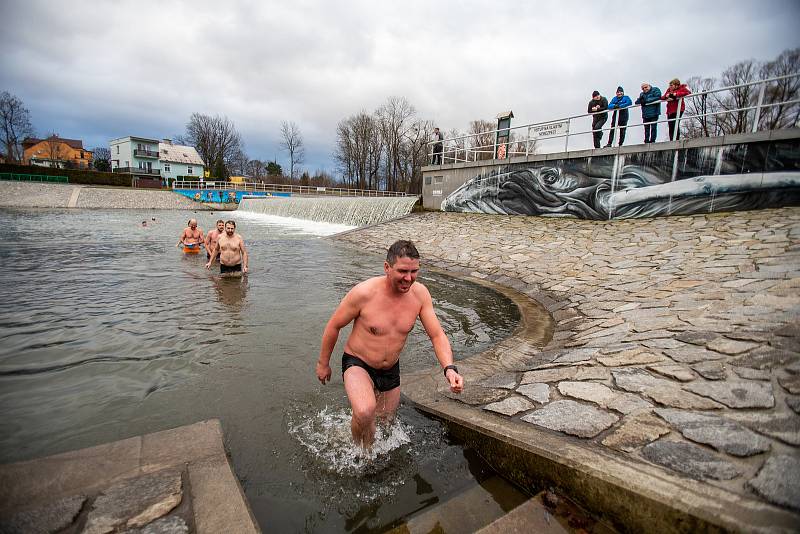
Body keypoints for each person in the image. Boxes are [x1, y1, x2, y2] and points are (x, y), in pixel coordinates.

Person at [316, 240, 464, 450]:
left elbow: (437, 335)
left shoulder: (420, 295)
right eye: (403, 271)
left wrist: (449, 368)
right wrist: (323, 363)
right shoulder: (364, 293)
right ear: (387, 267)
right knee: (366, 411)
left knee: (385, 423)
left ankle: (366, 444)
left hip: (390, 368)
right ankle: (358, 454)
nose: (409, 278)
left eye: (414, 271)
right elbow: (333, 326)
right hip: (358, 363)